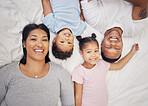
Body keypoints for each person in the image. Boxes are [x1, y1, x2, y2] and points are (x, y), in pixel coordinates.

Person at [0, 23, 75, 106]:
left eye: (44, 40)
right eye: (33, 39)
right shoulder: (7, 72)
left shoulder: (62, 74)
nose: (40, 44)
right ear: (24, 43)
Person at [72, 33, 139, 106]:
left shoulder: (102, 64)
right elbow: (78, 95)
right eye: (88, 52)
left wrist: (132, 52)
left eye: (96, 51)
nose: (93, 55)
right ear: (81, 53)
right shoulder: (79, 71)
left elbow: (119, 65)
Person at [79, 0, 147, 62]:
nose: (113, 43)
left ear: (102, 43)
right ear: (122, 46)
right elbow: (144, 3)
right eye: (117, 48)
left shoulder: (95, 21)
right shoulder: (134, 30)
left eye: (108, 47)